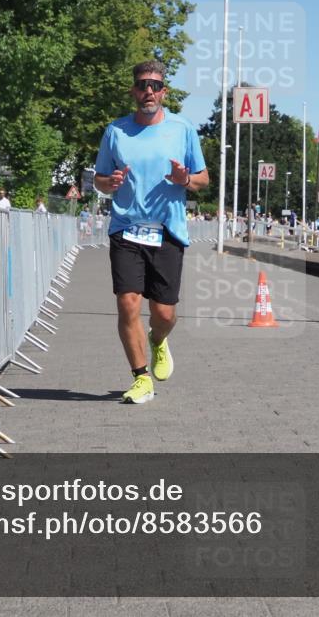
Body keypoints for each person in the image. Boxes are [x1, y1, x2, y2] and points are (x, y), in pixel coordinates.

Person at [93, 60, 208, 404]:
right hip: (126, 229)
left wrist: (183, 179)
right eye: (142, 85)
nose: (148, 91)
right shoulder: (115, 131)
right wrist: (109, 183)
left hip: (167, 231)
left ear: (164, 92)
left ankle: (158, 340)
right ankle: (140, 378)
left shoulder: (182, 129)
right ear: (133, 91)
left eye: (155, 85)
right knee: (128, 304)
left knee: (165, 314)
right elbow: (98, 180)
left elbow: (203, 180)